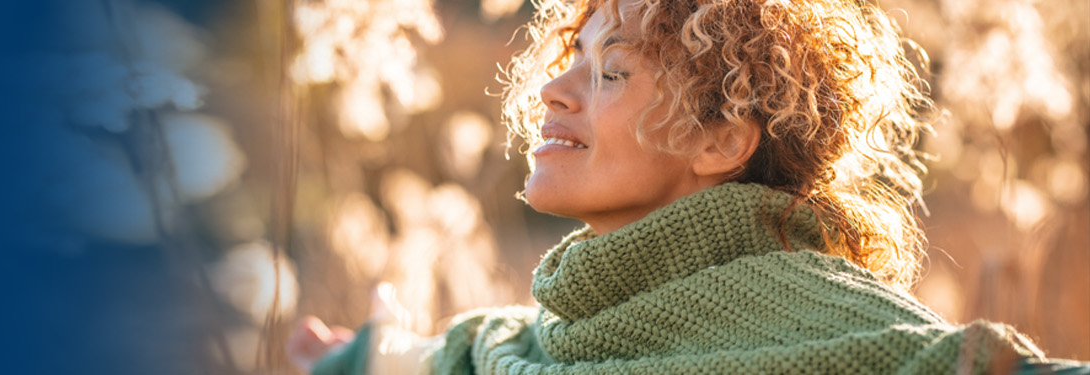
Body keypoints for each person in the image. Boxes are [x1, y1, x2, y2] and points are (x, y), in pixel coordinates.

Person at [286, 0, 1089, 374]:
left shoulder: (809, 300)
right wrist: (363, 356)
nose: (551, 92)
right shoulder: (557, 329)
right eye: (567, 62)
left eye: (609, 72)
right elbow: (470, 354)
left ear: (719, 139)